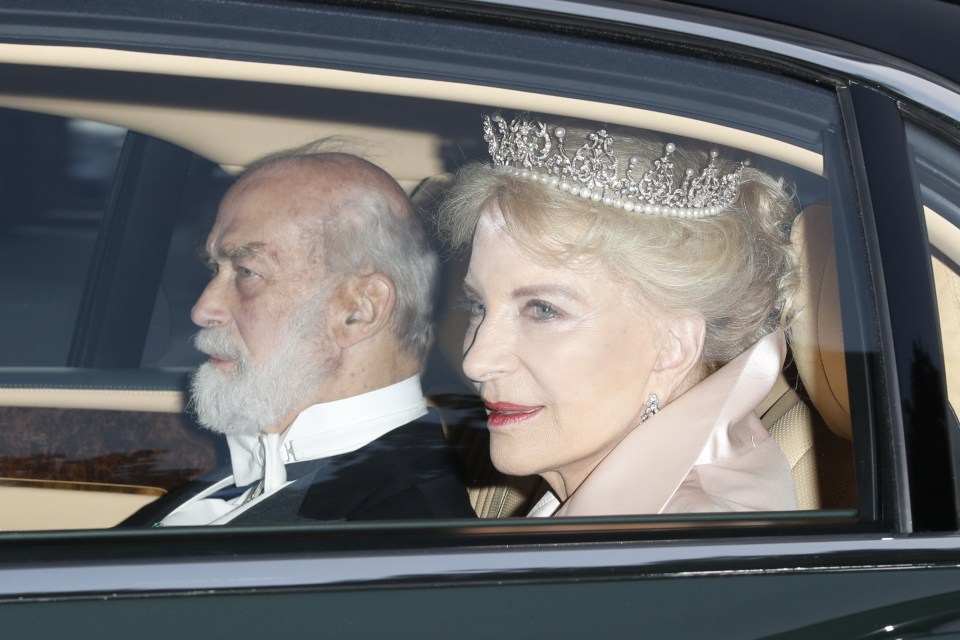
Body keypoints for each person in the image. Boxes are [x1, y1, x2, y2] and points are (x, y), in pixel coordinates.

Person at [437, 112, 799, 517]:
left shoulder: (681, 548)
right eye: (476, 306)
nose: (477, 361)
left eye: (542, 310)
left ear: (672, 347)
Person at [124, 147, 475, 526]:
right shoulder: (247, 472)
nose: (203, 309)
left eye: (246, 272)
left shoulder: (398, 536)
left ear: (359, 310)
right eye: (215, 269)